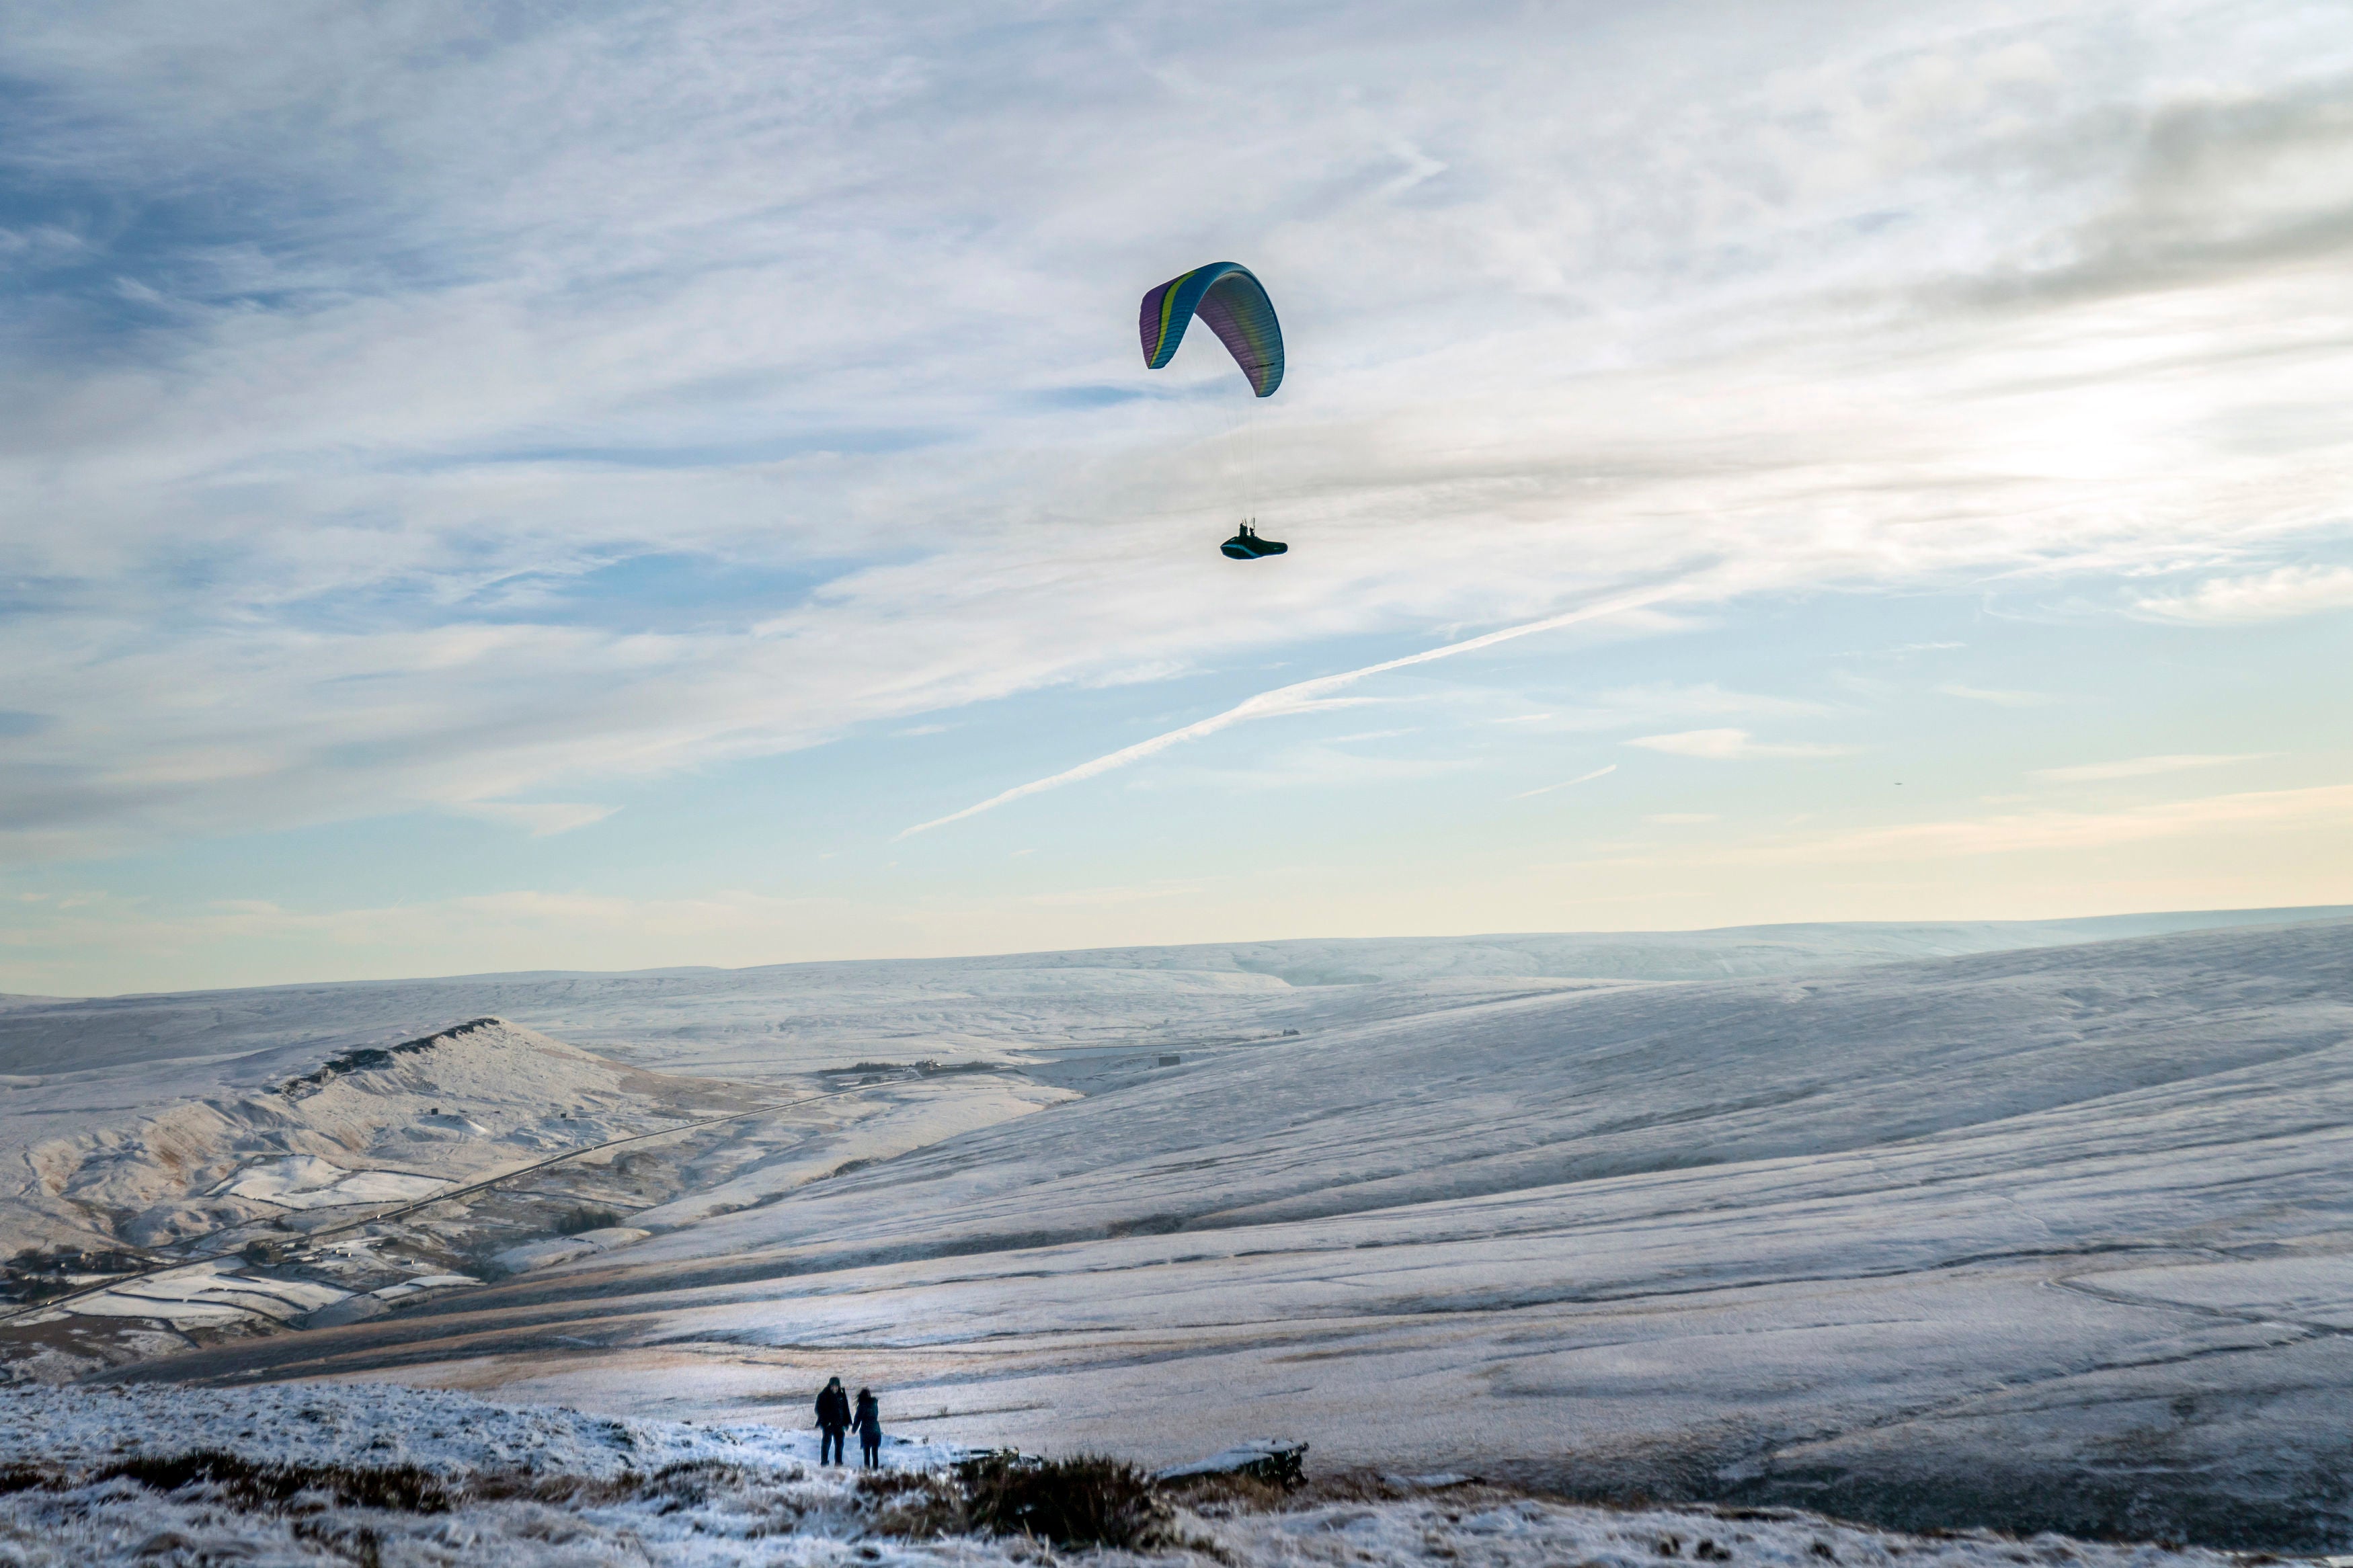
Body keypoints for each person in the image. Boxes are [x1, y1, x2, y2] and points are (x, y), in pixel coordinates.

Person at [815, 1376, 851, 1465]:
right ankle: (824, 1462)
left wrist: (846, 1422)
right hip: (829, 1424)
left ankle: (838, 1462)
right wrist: (826, 1421)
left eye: (836, 1386)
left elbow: (846, 1409)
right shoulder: (823, 1395)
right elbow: (818, 1409)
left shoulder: (842, 1395)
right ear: (830, 1386)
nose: (834, 1388)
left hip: (839, 1424)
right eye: (833, 1386)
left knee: (839, 1444)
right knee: (826, 1443)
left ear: (838, 1386)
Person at [853, 1387, 883, 1469]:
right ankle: (875, 1470)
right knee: (875, 1452)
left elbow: (858, 1419)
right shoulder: (874, 1404)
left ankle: (867, 1470)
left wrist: (854, 1429)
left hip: (865, 1429)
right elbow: (876, 1414)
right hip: (875, 1429)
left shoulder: (861, 1406)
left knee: (866, 1452)